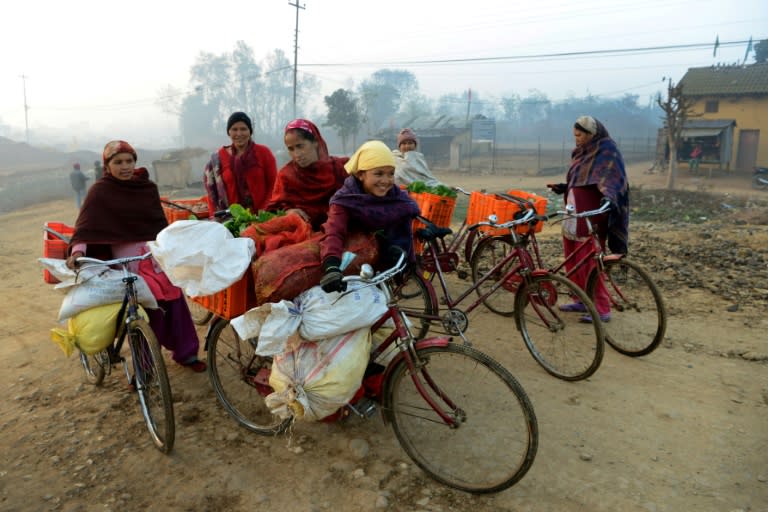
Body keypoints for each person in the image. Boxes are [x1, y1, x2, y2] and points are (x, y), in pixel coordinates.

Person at [66, 140, 206, 372]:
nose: (125, 166)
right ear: (107, 165)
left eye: (129, 161)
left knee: (174, 299)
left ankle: (186, 352)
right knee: (144, 307)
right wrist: (78, 252)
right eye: (118, 162)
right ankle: (144, 367)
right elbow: (86, 227)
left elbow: (159, 226)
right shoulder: (99, 192)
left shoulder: (145, 188)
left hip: (152, 255)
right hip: (126, 261)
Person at [547, 115, 629, 324]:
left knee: (591, 261)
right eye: (575, 135)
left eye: (580, 135)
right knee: (572, 258)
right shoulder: (582, 153)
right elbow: (582, 179)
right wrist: (565, 187)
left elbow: (611, 180)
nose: (577, 139)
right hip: (574, 211)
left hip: (592, 214)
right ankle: (581, 299)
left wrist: (610, 199)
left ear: (592, 134)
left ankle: (602, 308)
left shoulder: (607, 151)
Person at [319, 140, 420, 293]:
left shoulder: (396, 196)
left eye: (390, 174)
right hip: (351, 266)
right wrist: (331, 265)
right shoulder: (345, 200)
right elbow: (334, 233)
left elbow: (408, 211)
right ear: (361, 174)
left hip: (382, 269)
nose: (386, 181)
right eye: (378, 173)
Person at [265, 118, 349, 230]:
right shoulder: (286, 175)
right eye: (291, 149)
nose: (297, 154)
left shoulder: (339, 167)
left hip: (338, 229)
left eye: (300, 146)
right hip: (301, 232)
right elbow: (273, 210)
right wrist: (288, 212)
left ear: (315, 142)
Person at [204, 111, 277, 215]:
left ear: (250, 132)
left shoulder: (264, 153)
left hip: (262, 216)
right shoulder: (218, 158)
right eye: (234, 129)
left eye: (243, 129)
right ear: (229, 132)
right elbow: (212, 195)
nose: (239, 134)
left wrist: (263, 212)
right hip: (230, 219)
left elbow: (274, 186)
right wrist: (214, 218)